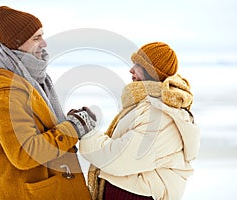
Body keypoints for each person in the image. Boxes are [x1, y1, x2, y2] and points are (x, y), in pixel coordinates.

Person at [0, 6, 96, 200]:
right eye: (36, 38)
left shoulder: (33, 80)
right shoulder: (7, 96)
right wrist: (73, 128)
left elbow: (38, 128)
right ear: (17, 44)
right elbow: (26, 153)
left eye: (42, 35)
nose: (44, 43)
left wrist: (69, 122)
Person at [79, 42, 200, 200]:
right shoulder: (150, 105)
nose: (131, 69)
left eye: (138, 65)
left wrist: (87, 133)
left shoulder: (161, 115)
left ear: (151, 71)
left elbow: (120, 159)